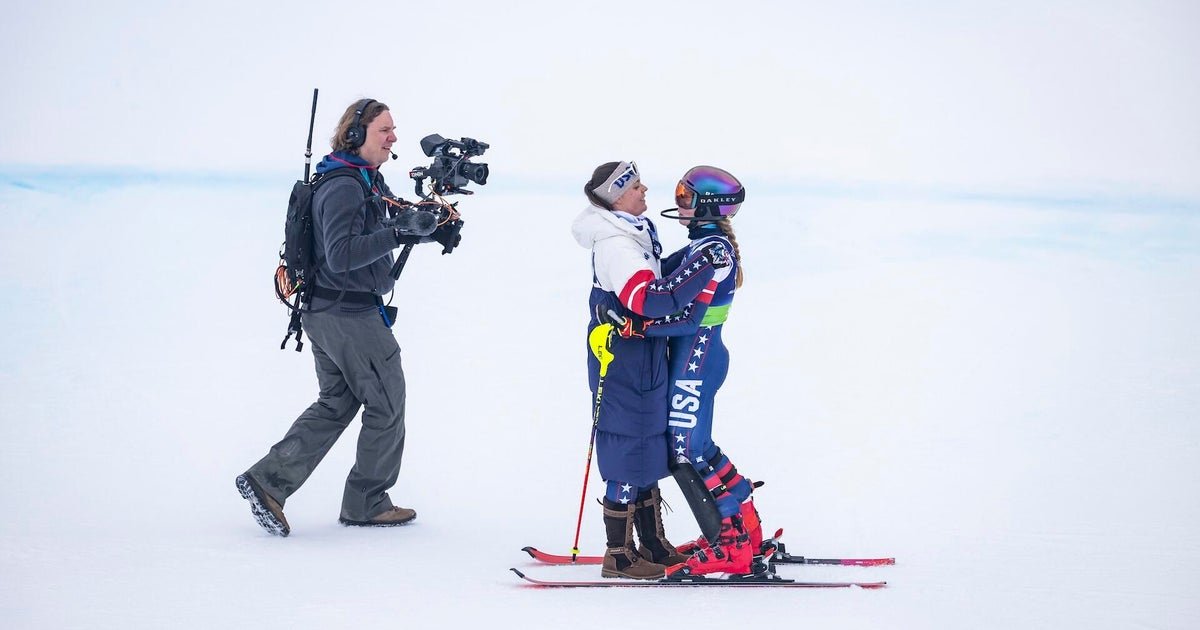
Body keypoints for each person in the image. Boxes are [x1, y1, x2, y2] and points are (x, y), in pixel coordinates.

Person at [236, 98, 455, 536]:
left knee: (336, 403)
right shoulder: (343, 186)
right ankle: (367, 502)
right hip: (348, 315)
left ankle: (268, 481)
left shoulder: (364, 179)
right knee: (387, 403)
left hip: (328, 312)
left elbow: (375, 233)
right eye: (384, 131)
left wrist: (429, 229)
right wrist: (397, 231)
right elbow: (340, 255)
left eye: (394, 130)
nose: (393, 138)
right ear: (355, 135)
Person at [571, 161, 732, 578]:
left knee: (647, 445)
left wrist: (695, 256)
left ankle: (652, 543)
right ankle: (618, 554)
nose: (645, 190)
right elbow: (650, 299)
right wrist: (701, 267)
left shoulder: (633, 231)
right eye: (635, 186)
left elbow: (660, 275)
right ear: (617, 196)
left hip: (644, 356)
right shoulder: (617, 245)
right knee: (627, 444)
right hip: (623, 358)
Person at [654, 165, 760, 576]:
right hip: (698, 358)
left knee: (686, 451)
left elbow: (683, 315)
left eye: (686, 196)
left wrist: (636, 326)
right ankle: (740, 531)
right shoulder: (707, 245)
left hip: (695, 359)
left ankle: (731, 544)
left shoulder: (712, 250)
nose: (679, 202)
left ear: (707, 205)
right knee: (700, 447)